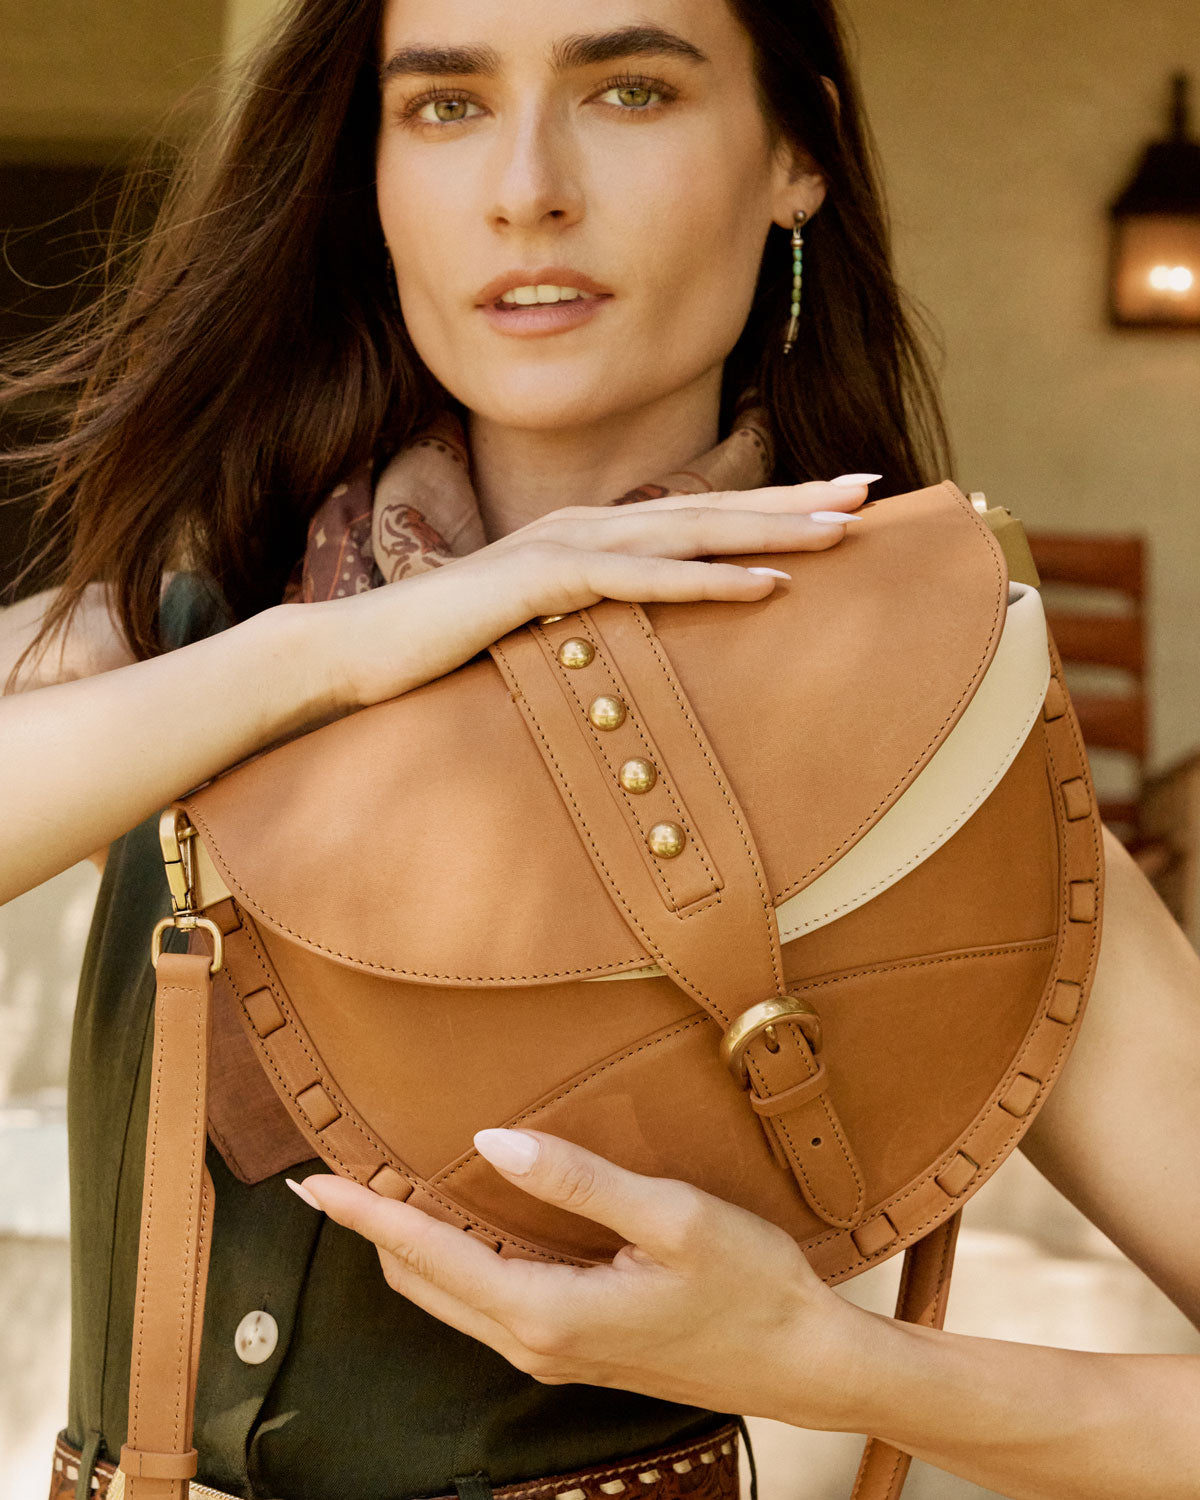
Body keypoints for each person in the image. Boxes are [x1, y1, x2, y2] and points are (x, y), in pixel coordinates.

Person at [0, 1, 1195, 1498]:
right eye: (444, 105)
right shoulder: (210, 611)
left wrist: (835, 1367)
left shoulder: (944, 745)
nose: (526, 186)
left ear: (797, 156)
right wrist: (325, 655)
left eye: (629, 91)